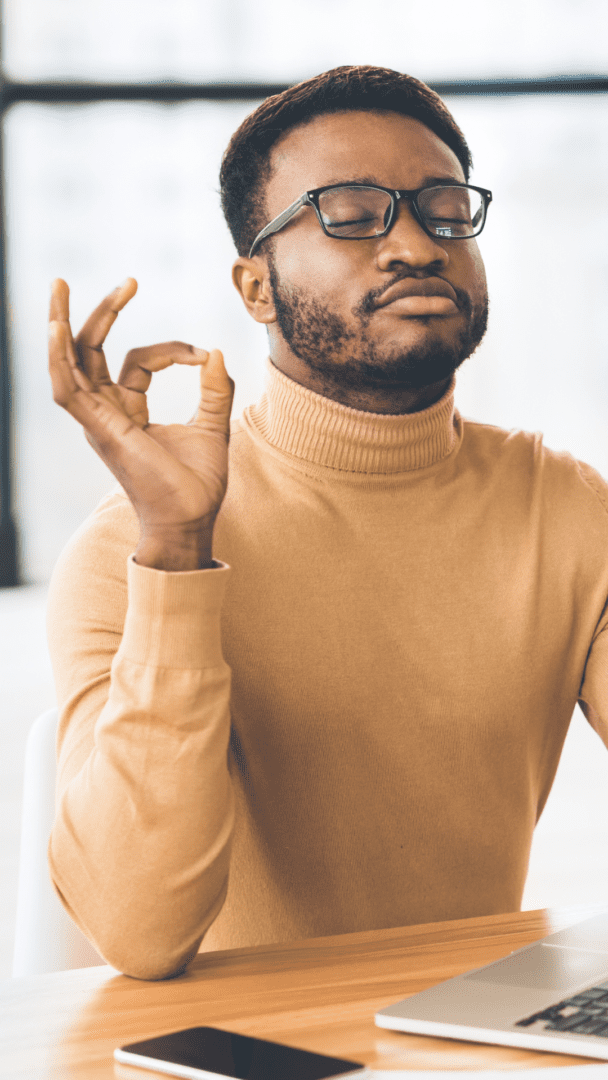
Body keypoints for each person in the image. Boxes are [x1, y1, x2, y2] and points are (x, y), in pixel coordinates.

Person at [46, 65, 608, 982]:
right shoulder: (129, 552)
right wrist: (180, 555)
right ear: (256, 287)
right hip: (229, 1055)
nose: (416, 244)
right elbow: (140, 935)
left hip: (468, 1045)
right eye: (351, 212)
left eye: (443, 206)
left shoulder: (566, 507)